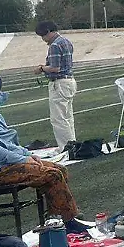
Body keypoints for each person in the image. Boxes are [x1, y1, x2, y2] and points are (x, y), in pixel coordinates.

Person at [0, 68, 89, 235]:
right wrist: (21, 160)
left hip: (2, 166)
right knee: (52, 175)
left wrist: (26, 154)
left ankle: (58, 219)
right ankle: (69, 222)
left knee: (60, 169)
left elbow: (5, 142)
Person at [34, 21, 76, 150]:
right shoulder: (66, 42)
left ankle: (66, 147)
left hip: (60, 83)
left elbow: (55, 68)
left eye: (43, 36)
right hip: (69, 81)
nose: (43, 39)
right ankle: (72, 144)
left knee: (58, 118)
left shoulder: (55, 45)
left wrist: (41, 68)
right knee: (68, 117)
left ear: (48, 32)